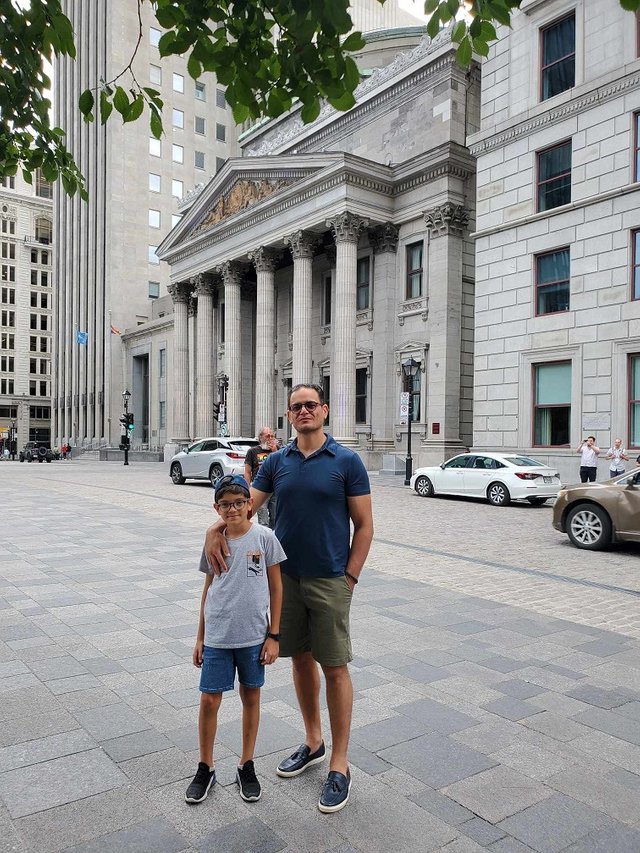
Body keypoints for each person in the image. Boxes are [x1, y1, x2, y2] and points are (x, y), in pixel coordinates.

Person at [205, 383, 373, 814]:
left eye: (310, 405)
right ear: (288, 414)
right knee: (299, 660)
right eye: (296, 407)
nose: (304, 411)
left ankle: (340, 762)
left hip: (330, 578)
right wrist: (213, 529)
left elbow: (365, 525)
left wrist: (349, 578)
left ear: (325, 410)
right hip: (286, 579)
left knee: (334, 667)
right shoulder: (276, 462)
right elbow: (243, 507)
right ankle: (314, 741)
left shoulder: (348, 461)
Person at [185, 474, 285, 806]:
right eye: (225, 504)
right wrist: (199, 637)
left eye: (239, 503)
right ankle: (205, 766)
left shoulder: (265, 538)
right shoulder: (214, 541)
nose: (233, 509)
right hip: (217, 634)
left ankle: (246, 764)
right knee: (209, 700)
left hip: (254, 636)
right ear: (217, 507)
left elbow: (276, 588)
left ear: (249, 505)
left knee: (251, 697)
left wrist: (274, 635)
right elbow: (207, 590)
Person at [245, 427, 278, 528]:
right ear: (261, 437)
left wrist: (274, 451)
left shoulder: (278, 451)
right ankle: (265, 540)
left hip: (275, 489)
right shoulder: (253, 451)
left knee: (275, 517)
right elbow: (247, 471)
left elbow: (281, 466)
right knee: (263, 520)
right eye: (267, 436)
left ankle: (273, 539)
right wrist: (247, 489)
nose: (270, 438)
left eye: (272, 436)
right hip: (260, 489)